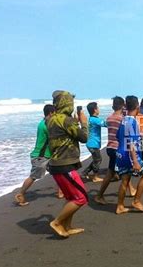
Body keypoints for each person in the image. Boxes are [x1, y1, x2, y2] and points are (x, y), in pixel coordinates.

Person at [47, 90, 89, 238]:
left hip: (55, 164)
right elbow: (84, 137)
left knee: (71, 198)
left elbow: (64, 131)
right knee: (81, 197)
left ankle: (67, 226)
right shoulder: (67, 121)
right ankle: (57, 222)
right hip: (65, 165)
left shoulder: (51, 119)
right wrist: (84, 123)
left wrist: (74, 122)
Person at [14, 104, 63, 206]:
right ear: (51, 113)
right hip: (41, 156)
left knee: (58, 172)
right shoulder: (45, 125)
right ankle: (20, 194)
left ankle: (60, 192)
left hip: (47, 155)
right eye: (55, 114)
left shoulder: (44, 123)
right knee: (34, 176)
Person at [95, 96, 136, 205]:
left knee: (125, 170)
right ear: (123, 106)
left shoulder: (109, 118)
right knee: (111, 173)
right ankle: (99, 195)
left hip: (110, 147)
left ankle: (131, 189)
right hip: (118, 147)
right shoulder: (122, 119)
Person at [115, 96, 143, 214]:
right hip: (130, 156)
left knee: (125, 180)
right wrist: (135, 161)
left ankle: (120, 206)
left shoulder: (123, 119)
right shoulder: (132, 121)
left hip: (120, 153)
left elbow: (118, 136)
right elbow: (131, 143)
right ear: (137, 107)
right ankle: (136, 201)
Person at [83, 102, 107, 182]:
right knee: (98, 159)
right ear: (95, 110)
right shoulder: (95, 120)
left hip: (91, 143)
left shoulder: (91, 119)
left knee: (96, 159)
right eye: (98, 108)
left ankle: (85, 173)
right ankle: (95, 177)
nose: (99, 109)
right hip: (93, 143)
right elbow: (106, 124)